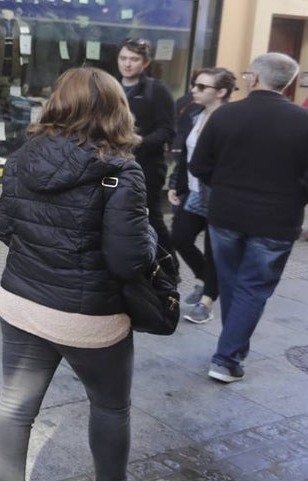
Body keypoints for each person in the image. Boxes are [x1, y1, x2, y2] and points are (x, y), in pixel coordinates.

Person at [0, 67, 166, 481]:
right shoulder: (122, 172)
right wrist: (147, 232)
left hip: (21, 302)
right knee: (109, 406)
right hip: (89, 317)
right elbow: (129, 261)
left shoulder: (22, 157)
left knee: (14, 407)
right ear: (114, 111)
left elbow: (4, 229)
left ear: (57, 103)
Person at [189, 52, 308, 384]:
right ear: (287, 84)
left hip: (226, 213)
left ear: (254, 79)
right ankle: (227, 358)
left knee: (233, 286)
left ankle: (230, 353)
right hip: (277, 220)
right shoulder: (303, 121)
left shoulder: (225, 116)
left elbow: (199, 166)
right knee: (252, 289)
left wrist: (226, 186)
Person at [167, 68, 234, 325]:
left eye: (201, 86)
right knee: (180, 238)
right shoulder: (196, 114)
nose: (193, 89)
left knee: (213, 249)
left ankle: (207, 300)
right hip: (194, 191)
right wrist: (177, 184)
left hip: (219, 193)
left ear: (221, 92)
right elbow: (186, 155)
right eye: (195, 84)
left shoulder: (229, 118)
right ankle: (203, 277)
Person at [116, 38, 176, 257]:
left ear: (145, 63)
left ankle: (169, 267)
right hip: (114, 163)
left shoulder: (157, 90)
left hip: (146, 166)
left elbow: (167, 131)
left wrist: (140, 140)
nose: (127, 64)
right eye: (123, 58)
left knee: (149, 216)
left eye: (134, 59)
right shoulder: (111, 85)